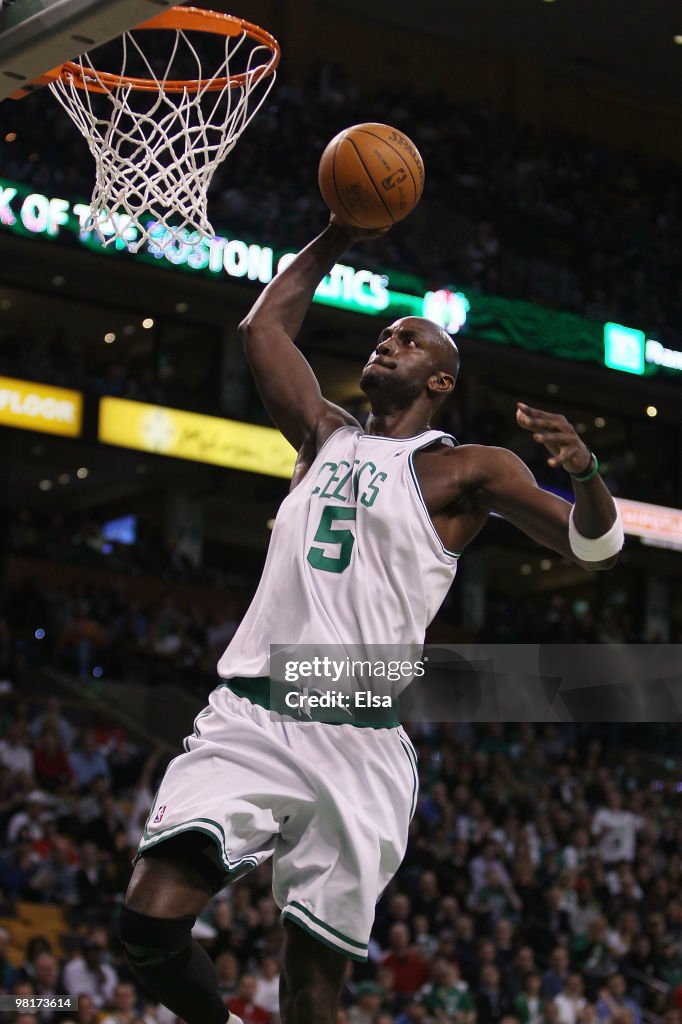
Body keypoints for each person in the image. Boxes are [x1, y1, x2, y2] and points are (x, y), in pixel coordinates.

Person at [119, 216, 623, 1024]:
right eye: (385, 335)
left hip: (360, 740)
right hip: (254, 713)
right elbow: (262, 326)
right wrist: (337, 233)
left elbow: (593, 550)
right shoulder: (322, 435)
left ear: (442, 383)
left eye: (409, 342)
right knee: (146, 924)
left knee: (313, 993)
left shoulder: (469, 469)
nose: (387, 344)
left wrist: (586, 472)